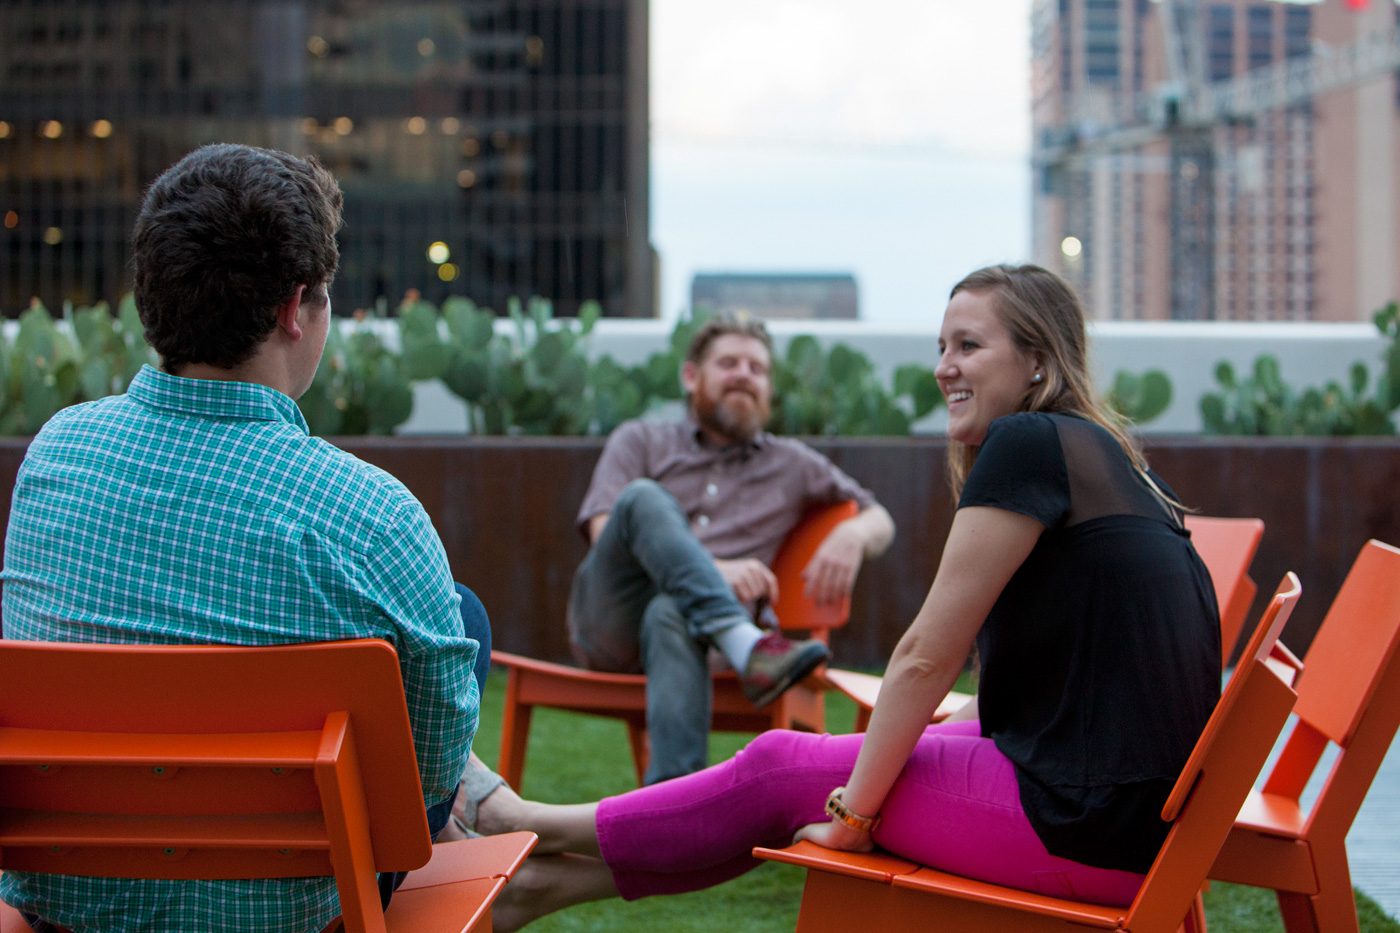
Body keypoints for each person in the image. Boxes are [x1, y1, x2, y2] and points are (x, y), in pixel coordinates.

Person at [452, 264, 1223, 932]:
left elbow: (927, 654)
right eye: (941, 346)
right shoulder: (1120, 465)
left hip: (1087, 825)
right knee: (823, 767)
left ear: (1036, 360)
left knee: (786, 769)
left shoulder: (1030, 443)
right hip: (1133, 818)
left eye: (969, 346)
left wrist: (857, 813)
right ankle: (538, 889)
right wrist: (910, 753)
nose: (943, 367)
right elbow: (1071, 670)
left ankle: (519, 821)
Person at [0, 144, 485, 933]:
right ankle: (502, 816)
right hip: (290, 911)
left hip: (69, 906)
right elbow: (423, 779)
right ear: (296, 308)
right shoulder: (373, 515)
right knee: (460, 618)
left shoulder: (55, 453)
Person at [565, 312, 896, 784]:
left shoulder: (792, 464)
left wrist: (853, 535)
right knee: (641, 498)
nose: (744, 374)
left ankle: (669, 819)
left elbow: (879, 516)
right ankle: (750, 646)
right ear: (691, 376)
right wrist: (715, 571)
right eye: (729, 363)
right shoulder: (640, 439)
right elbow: (604, 531)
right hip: (612, 622)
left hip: (695, 642)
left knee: (671, 611)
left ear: (768, 389)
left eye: (757, 368)